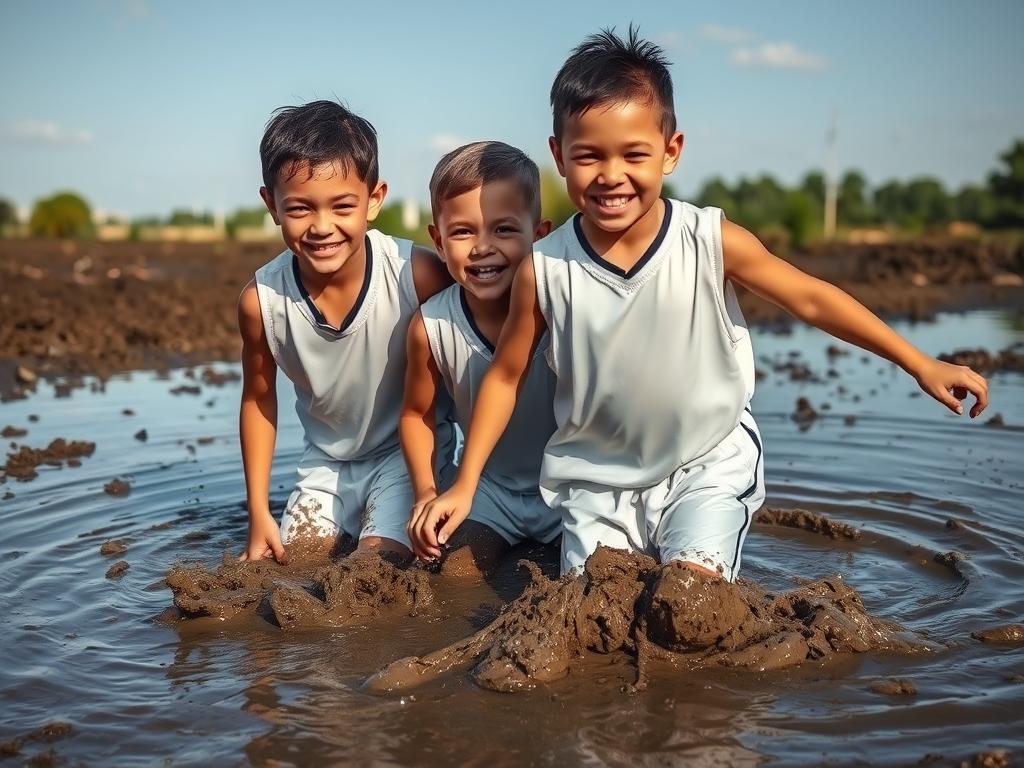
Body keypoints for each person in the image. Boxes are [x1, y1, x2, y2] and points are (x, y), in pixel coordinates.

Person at [410, 28, 989, 578]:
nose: (612, 176)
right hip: (596, 484)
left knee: (690, 597)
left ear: (671, 151)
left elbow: (812, 300)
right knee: (588, 618)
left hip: (705, 464)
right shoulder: (545, 268)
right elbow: (506, 377)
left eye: (634, 155)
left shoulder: (708, 240)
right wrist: (465, 484)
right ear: (559, 157)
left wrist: (920, 362)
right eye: (590, 157)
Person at [238, 100, 453, 564]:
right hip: (324, 466)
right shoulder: (262, 302)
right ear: (271, 204)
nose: (321, 226)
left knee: (374, 568)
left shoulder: (415, 274)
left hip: (406, 457)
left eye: (342, 206)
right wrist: (259, 511)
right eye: (299, 207)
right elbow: (258, 398)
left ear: (374, 200)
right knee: (295, 567)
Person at [401, 141, 559, 576]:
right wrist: (426, 492)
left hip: (569, 489)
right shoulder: (431, 326)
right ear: (437, 239)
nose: (482, 247)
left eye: (504, 230)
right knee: (451, 576)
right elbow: (418, 415)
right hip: (489, 490)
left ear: (539, 236)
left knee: (585, 578)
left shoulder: (560, 309)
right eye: (463, 231)